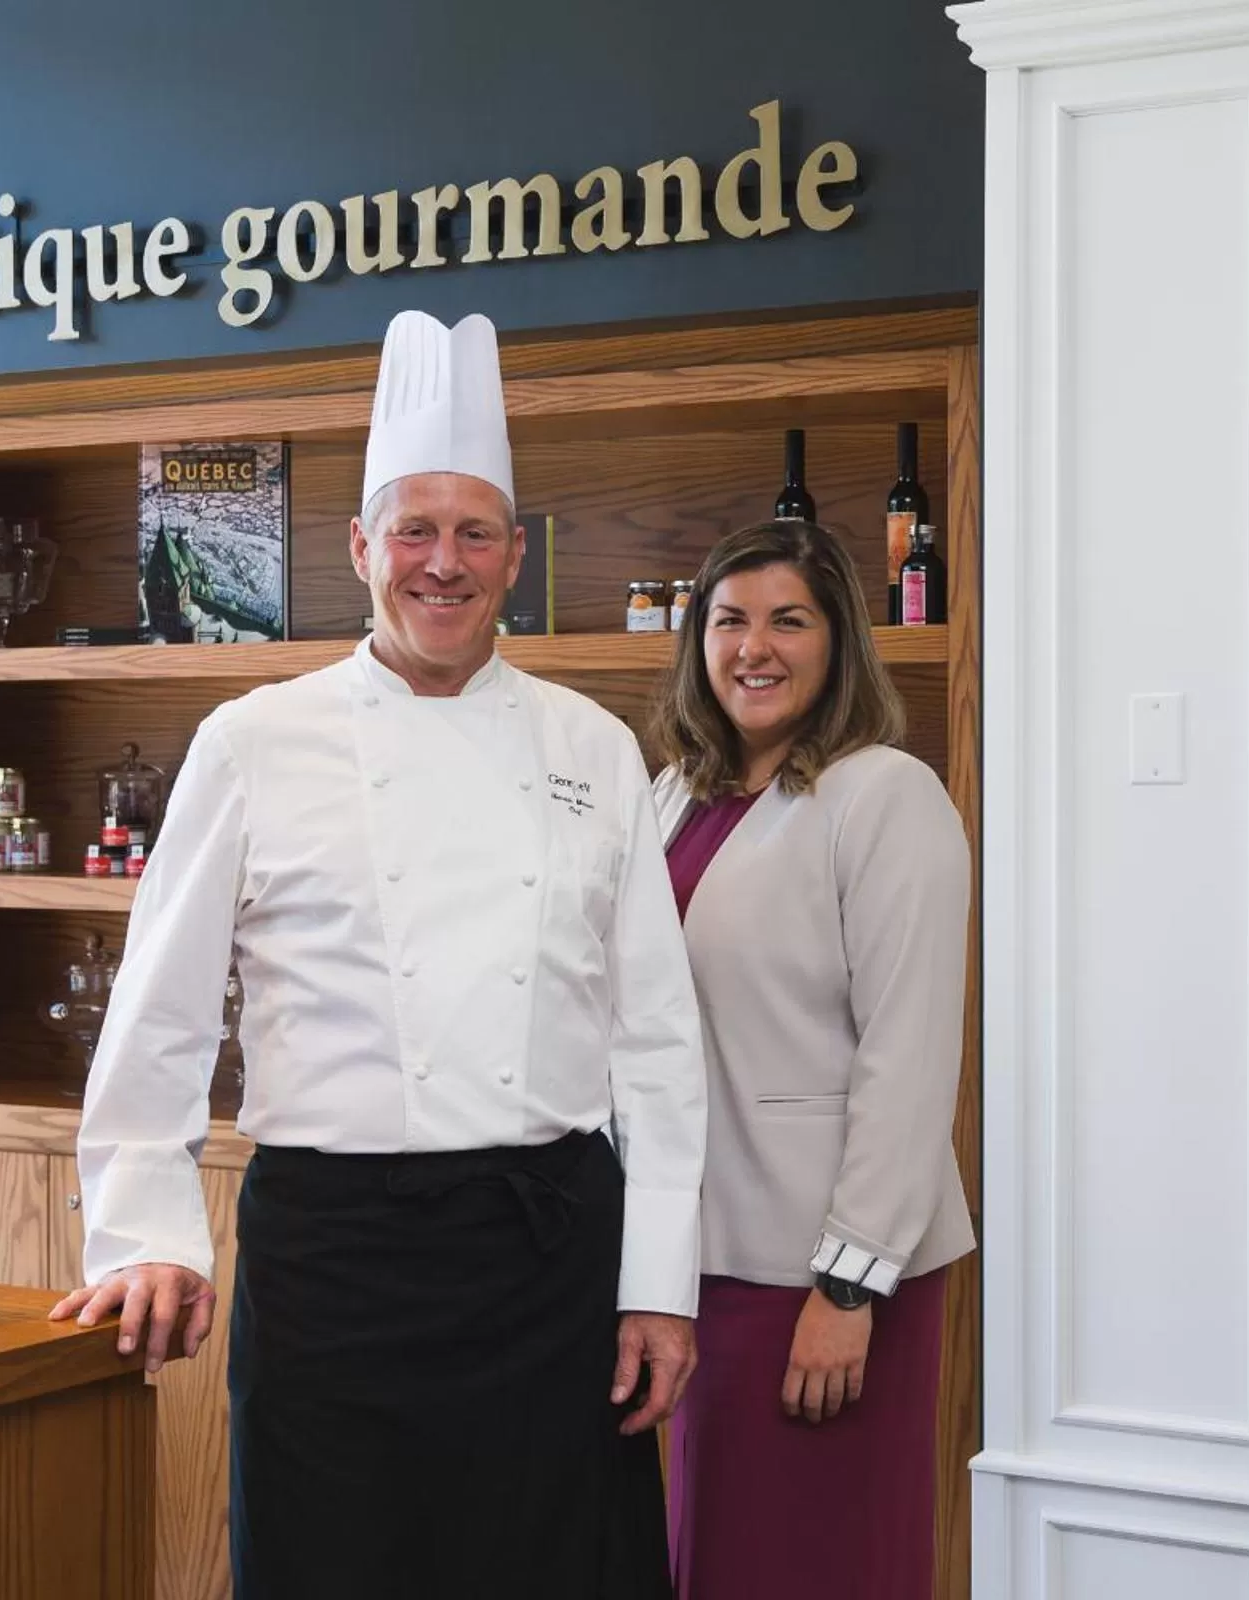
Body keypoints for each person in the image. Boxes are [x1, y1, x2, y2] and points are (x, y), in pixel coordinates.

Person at [51, 310, 707, 1600]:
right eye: (415, 530)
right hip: (334, 1267)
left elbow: (657, 1040)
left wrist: (661, 1284)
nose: (443, 564)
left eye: (474, 534)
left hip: (548, 1259)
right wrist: (145, 1234)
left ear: (516, 554)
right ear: (360, 548)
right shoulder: (254, 738)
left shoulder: (595, 747)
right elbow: (162, 1013)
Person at [648, 520, 974, 1598]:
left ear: (840, 643)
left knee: (823, 1559)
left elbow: (911, 1057)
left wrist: (850, 1282)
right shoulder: (672, 796)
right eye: (729, 620)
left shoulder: (886, 795)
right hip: (701, 1261)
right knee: (723, 1551)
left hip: (825, 1275)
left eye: (789, 620)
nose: (755, 647)